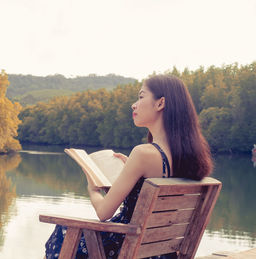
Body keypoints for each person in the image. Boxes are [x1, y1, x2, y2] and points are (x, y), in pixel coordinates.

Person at [45, 75, 213, 259]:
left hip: (127, 249)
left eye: (141, 97)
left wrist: (92, 188)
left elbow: (103, 213)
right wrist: (132, 172)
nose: (134, 105)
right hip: (162, 254)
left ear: (160, 103)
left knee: (62, 232)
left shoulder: (143, 154)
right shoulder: (190, 157)